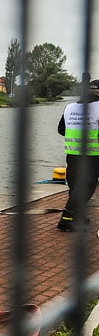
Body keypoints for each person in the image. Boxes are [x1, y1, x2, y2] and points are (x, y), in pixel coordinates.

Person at [56, 78, 99, 231]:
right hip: (92, 155)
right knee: (86, 187)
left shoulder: (69, 108)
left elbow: (61, 129)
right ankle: (66, 219)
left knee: (75, 186)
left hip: (72, 154)